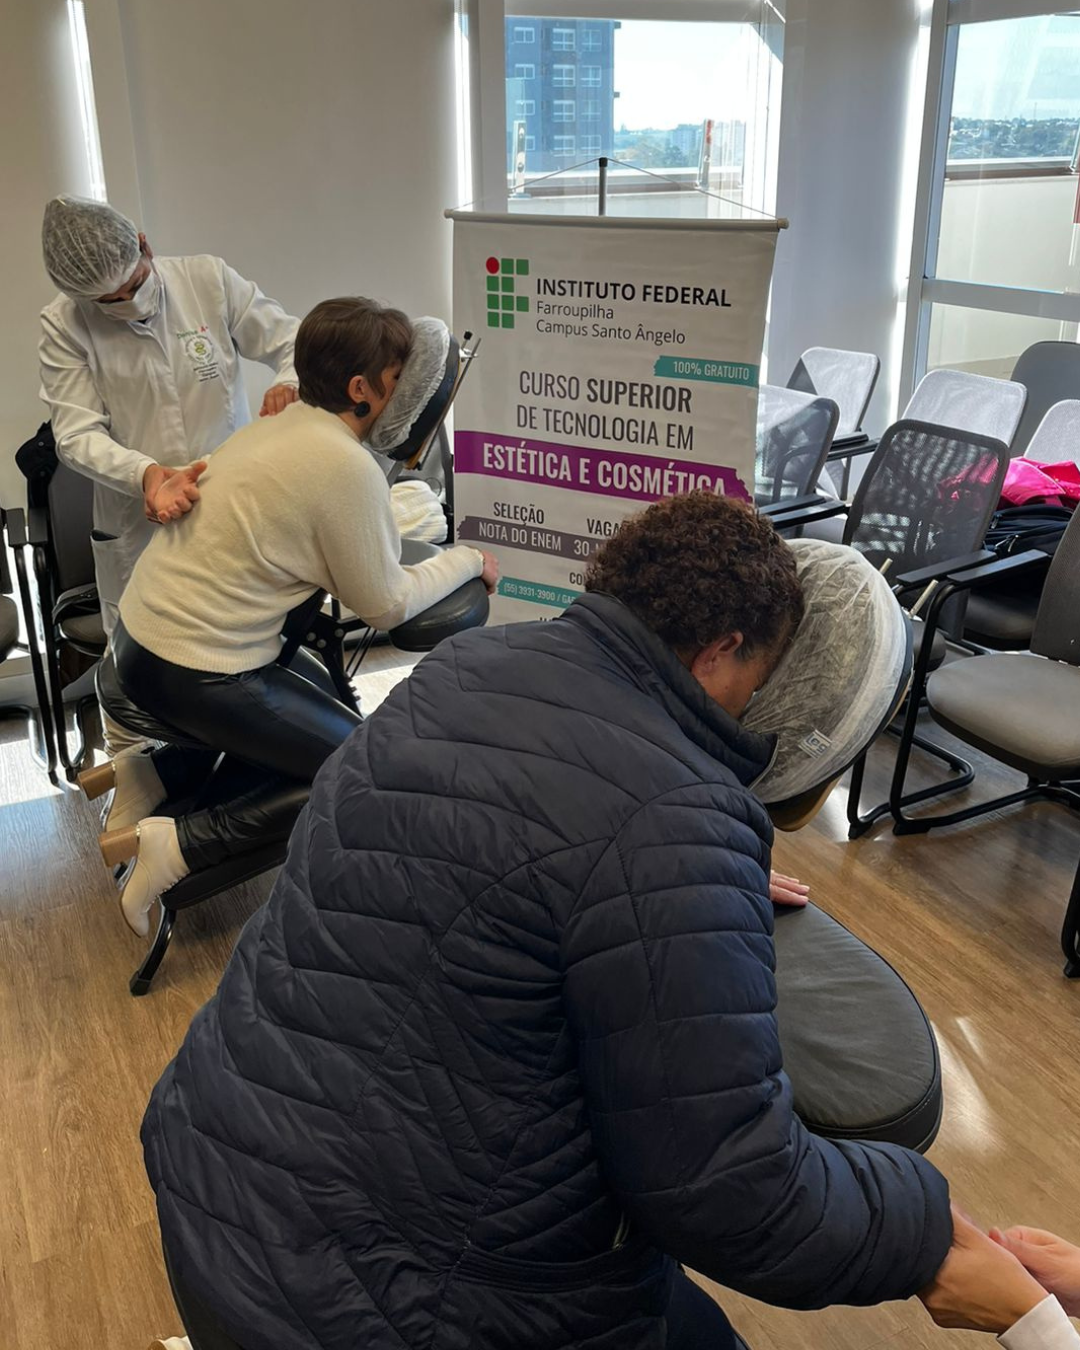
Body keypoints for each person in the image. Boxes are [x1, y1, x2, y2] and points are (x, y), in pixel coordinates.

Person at [140, 491, 1051, 1350]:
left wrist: (691, 887)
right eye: (760, 675)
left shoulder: (469, 665)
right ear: (719, 650)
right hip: (370, 1303)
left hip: (217, 1169)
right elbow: (738, 1196)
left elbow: (522, 855)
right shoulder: (669, 820)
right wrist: (922, 1226)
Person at [83, 297, 497, 938]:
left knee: (301, 727)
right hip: (194, 668)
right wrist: (466, 559)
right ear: (361, 389)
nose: (408, 390)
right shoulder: (342, 463)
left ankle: (153, 772)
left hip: (144, 641)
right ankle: (180, 846)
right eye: (397, 377)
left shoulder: (280, 425)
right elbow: (386, 603)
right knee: (360, 765)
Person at [38, 195, 301, 751]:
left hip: (231, 505)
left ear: (144, 245)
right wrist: (147, 474)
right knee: (139, 669)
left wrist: (289, 381)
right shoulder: (65, 324)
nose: (127, 303)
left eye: (134, 284)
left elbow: (291, 341)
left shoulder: (208, 280)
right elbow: (76, 434)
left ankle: (239, 772)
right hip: (139, 516)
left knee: (238, 649)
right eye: (108, 300)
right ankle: (140, 775)